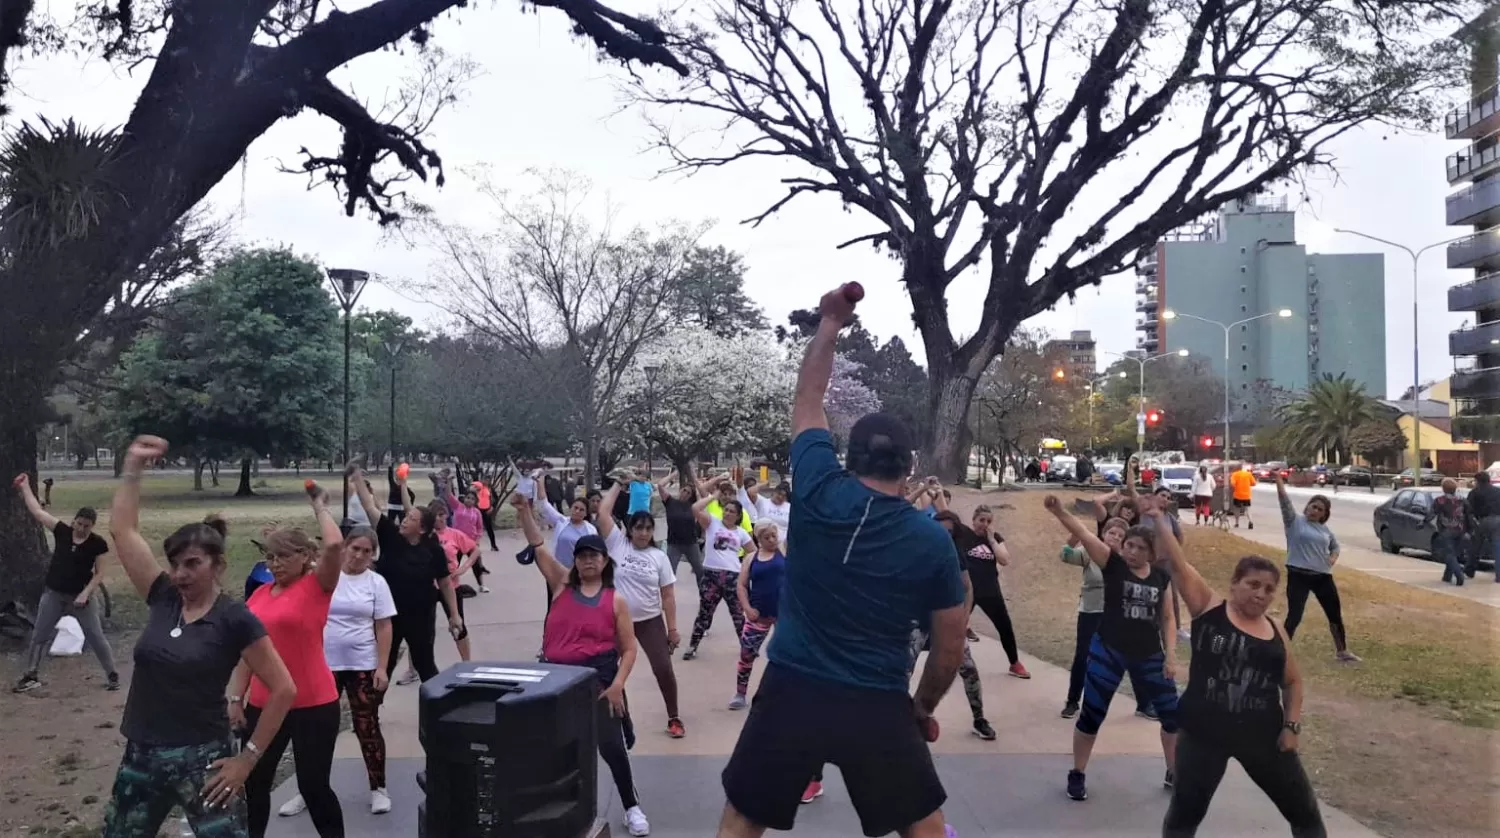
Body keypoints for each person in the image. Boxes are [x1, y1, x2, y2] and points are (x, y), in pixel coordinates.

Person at [718, 284, 966, 838]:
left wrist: (829, 323)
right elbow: (949, 648)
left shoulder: (816, 486)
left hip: (792, 687)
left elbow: (808, 399)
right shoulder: (931, 541)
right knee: (923, 829)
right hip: (875, 700)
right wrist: (921, 709)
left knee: (741, 819)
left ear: (848, 457)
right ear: (910, 466)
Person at [103, 435, 296, 838]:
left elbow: (282, 689)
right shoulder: (163, 597)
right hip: (141, 754)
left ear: (218, 565)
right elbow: (123, 530)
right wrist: (133, 467)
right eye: (175, 564)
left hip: (204, 760)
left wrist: (247, 760)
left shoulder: (235, 618)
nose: (180, 574)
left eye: (192, 564)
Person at [1156, 544, 1325, 836]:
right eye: (1253, 584)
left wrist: (1292, 726)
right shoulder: (1209, 608)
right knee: (1185, 814)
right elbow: (1180, 564)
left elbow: (1292, 682)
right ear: (1234, 584)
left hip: (1263, 737)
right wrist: (1158, 518)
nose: (1261, 594)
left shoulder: (1275, 629)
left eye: (1269, 589)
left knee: (1305, 813)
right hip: (1203, 736)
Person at [514, 493, 652, 837]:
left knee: (612, 749)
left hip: (598, 681)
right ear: (575, 561)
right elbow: (537, 544)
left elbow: (630, 649)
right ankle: (552, 811)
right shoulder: (561, 585)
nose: (588, 561)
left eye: (594, 556)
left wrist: (618, 684)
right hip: (555, 680)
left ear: (605, 562)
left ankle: (631, 806)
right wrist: (524, 511)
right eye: (582, 556)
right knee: (555, 748)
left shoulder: (614, 600)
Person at [1043, 495, 1179, 802]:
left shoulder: (1160, 577)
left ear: (1152, 553)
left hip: (1149, 655)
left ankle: (1174, 771)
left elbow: (1168, 617)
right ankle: (1077, 773)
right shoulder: (1112, 564)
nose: (1131, 551)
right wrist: (1059, 510)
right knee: (1092, 714)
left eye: (1139, 548)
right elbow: (1086, 534)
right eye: (1129, 545)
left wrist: (1170, 655)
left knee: (1173, 715)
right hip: (1108, 649)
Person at [230, 485, 347, 838]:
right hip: (264, 705)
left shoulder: (317, 586)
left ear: (304, 557)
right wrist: (236, 696)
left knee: (313, 787)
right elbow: (249, 652)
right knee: (254, 783)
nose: (275, 564)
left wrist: (320, 507)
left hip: (313, 704)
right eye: (270, 557)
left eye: (283, 557)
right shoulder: (260, 595)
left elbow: (333, 546)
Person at [279, 526, 397, 819]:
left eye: (366, 552)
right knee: (313, 731)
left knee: (366, 725)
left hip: (362, 665)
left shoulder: (376, 583)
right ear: (344, 548)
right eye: (354, 548)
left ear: (373, 555)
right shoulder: (323, 577)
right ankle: (308, 790)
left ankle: (378, 788)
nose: (359, 556)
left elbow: (384, 626)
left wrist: (382, 667)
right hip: (321, 665)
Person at [351, 466, 463, 683]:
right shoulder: (390, 537)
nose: (404, 519)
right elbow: (369, 507)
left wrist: (454, 614)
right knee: (383, 664)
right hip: (388, 616)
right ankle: (371, 712)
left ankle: (435, 709)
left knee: (425, 664)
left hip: (421, 616)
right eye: (406, 516)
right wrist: (357, 477)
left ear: (421, 529)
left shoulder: (433, 549)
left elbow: (445, 583)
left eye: (410, 518)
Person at [11, 474, 117, 693]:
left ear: (92, 526)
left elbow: (100, 573)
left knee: (95, 636)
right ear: (73, 521)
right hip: (54, 594)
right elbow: (38, 513)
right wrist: (25, 487)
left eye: (87, 526)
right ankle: (31, 674)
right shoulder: (62, 531)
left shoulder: (98, 544)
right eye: (79, 524)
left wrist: (85, 594)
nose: (81, 529)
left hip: (82, 599)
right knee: (39, 634)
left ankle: (112, 674)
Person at [597, 480, 685, 739]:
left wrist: (673, 629)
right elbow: (603, 513)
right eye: (638, 528)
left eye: (648, 529)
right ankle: (616, 718)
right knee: (606, 669)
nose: (643, 533)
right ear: (630, 529)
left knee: (663, 669)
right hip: (615, 620)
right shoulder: (617, 544)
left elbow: (668, 596)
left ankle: (674, 717)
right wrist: (617, 486)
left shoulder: (659, 557)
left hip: (650, 621)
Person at [1059, 521, 1157, 720]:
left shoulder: (1126, 562)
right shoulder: (1090, 554)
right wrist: (1076, 534)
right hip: (1091, 611)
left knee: (1132, 656)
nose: (1115, 537)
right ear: (1103, 535)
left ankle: (1144, 704)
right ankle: (1072, 701)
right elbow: (1066, 554)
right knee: (1083, 656)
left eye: (1121, 536)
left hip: (1118, 616)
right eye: (1111, 533)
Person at [1273, 473, 1359, 662]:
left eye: (1319, 509)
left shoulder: (1325, 530)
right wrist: (1278, 481)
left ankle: (1342, 651)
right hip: (1298, 574)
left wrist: (1333, 558)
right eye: (1313, 506)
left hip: (1322, 576)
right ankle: (1281, 651)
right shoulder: (1294, 521)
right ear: (1307, 506)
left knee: (1334, 613)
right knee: (1295, 614)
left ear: (1324, 514)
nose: (1314, 510)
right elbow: (1284, 501)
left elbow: (1335, 546)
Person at [952, 505, 1029, 679]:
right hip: (968, 591)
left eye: (988, 521)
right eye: (981, 520)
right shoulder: (964, 534)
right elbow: (944, 511)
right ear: (974, 520)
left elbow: (1005, 560)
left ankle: (1014, 664)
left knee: (1005, 627)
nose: (984, 524)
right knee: (954, 628)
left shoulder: (995, 538)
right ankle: (948, 663)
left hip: (990, 591)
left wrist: (992, 540)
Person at [685, 492, 752, 660]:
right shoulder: (712, 523)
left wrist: (745, 571)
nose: (728, 513)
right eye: (726, 510)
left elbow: (753, 553)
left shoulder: (741, 533)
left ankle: (746, 648)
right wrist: (713, 496)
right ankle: (693, 646)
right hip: (711, 575)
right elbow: (694, 508)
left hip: (733, 577)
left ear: (738, 516)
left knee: (737, 614)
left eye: (732, 511)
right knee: (704, 613)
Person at [730, 522, 786, 710]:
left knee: (786, 656)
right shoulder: (751, 558)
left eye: (773, 535)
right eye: (767, 537)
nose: (772, 540)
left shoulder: (784, 552)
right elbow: (741, 586)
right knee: (746, 654)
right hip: (757, 616)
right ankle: (740, 693)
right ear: (759, 539)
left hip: (783, 616)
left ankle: (786, 695)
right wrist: (747, 608)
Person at [429, 499, 481, 663]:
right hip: (428, 587)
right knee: (422, 629)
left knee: (458, 625)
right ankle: (413, 668)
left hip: (451, 586)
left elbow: (475, 550)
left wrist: (463, 568)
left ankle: (467, 662)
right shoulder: (426, 536)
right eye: (437, 515)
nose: (440, 519)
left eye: (443, 515)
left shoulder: (454, 534)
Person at [658, 472, 705, 587]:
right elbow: (660, 485)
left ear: (691, 496)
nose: (685, 493)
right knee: (669, 572)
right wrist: (675, 473)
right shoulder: (670, 502)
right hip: (674, 544)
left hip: (691, 544)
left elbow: (704, 494)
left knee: (700, 572)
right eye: (684, 490)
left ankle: (704, 598)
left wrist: (694, 478)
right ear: (680, 490)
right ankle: (668, 599)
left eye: (688, 493)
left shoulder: (694, 506)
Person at [1428, 478, 1469, 586]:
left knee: (1448, 554)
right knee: (1453, 553)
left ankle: (1459, 574)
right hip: (1460, 529)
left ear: (1443, 488)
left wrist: (1423, 522)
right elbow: (1468, 515)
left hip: (1446, 530)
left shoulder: (1440, 500)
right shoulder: (1462, 500)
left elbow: (1432, 513)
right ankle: (1447, 576)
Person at [1464, 470, 1500, 580]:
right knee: (1497, 547)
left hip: (1482, 521)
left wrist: (1469, 526)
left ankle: (1470, 569)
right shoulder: (1498, 491)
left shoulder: (1474, 492)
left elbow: (1468, 510)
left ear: (1477, 481)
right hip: (1498, 520)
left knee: (1475, 546)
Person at [1230, 463, 1257, 529]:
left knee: (1237, 509)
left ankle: (1237, 523)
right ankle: (1250, 522)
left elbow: (1232, 484)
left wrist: (1236, 485)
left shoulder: (1235, 474)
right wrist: (1247, 484)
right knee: (1248, 509)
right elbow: (1254, 483)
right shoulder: (1248, 474)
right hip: (1246, 495)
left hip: (1237, 495)